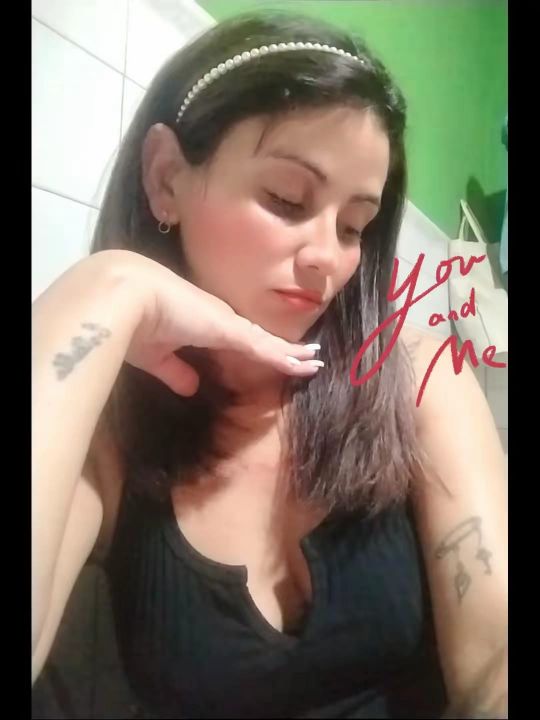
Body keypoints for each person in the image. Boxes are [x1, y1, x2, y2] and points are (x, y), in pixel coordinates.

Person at [32, 11, 508, 719]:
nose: (328, 259)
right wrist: (107, 284)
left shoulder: (415, 369)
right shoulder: (110, 427)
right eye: (287, 200)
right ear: (165, 179)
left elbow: (496, 669)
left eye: (354, 226)